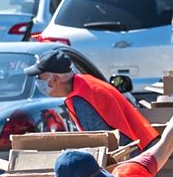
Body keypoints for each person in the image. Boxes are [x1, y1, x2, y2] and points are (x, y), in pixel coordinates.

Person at [25, 50, 159, 152]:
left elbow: (99, 146)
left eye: (40, 77)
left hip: (136, 155)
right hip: (141, 149)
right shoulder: (85, 84)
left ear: (55, 79)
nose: (38, 82)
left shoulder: (81, 100)